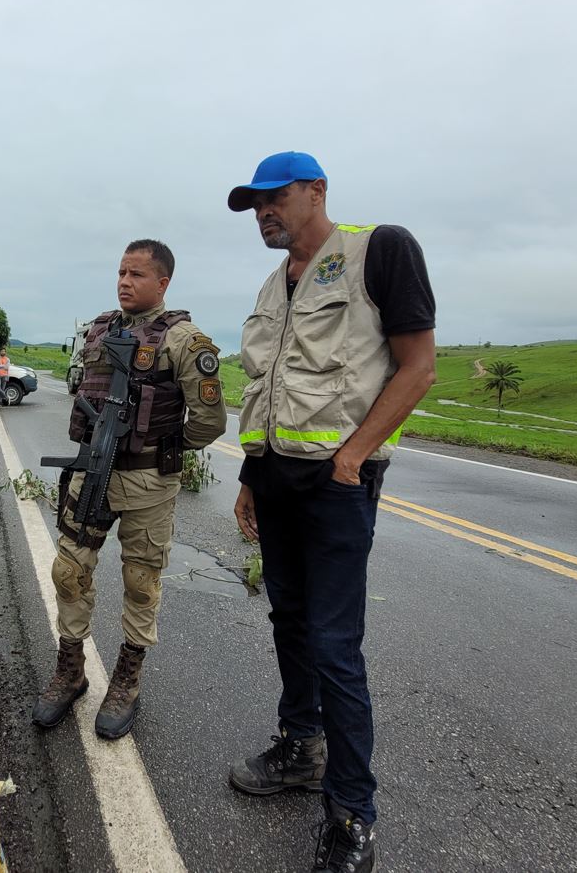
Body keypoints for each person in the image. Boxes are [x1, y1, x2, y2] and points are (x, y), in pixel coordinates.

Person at [224, 152, 437, 873]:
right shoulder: (272, 285)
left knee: (336, 646)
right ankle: (300, 746)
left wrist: (353, 458)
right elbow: (266, 393)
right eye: (255, 204)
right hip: (276, 484)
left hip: (337, 488)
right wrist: (251, 476)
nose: (264, 212)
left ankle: (352, 816)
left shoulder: (380, 250)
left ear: (316, 191)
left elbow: (418, 367)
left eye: (275, 198)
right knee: (288, 619)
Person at [33, 239, 227, 739]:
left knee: (141, 581)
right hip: (90, 469)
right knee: (69, 569)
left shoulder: (186, 340)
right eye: (120, 272)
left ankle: (127, 679)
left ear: (162, 283)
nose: (124, 281)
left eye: (137, 274)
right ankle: (70, 668)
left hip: (148, 480)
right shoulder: (99, 330)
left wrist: (163, 447)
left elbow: (209, 421)